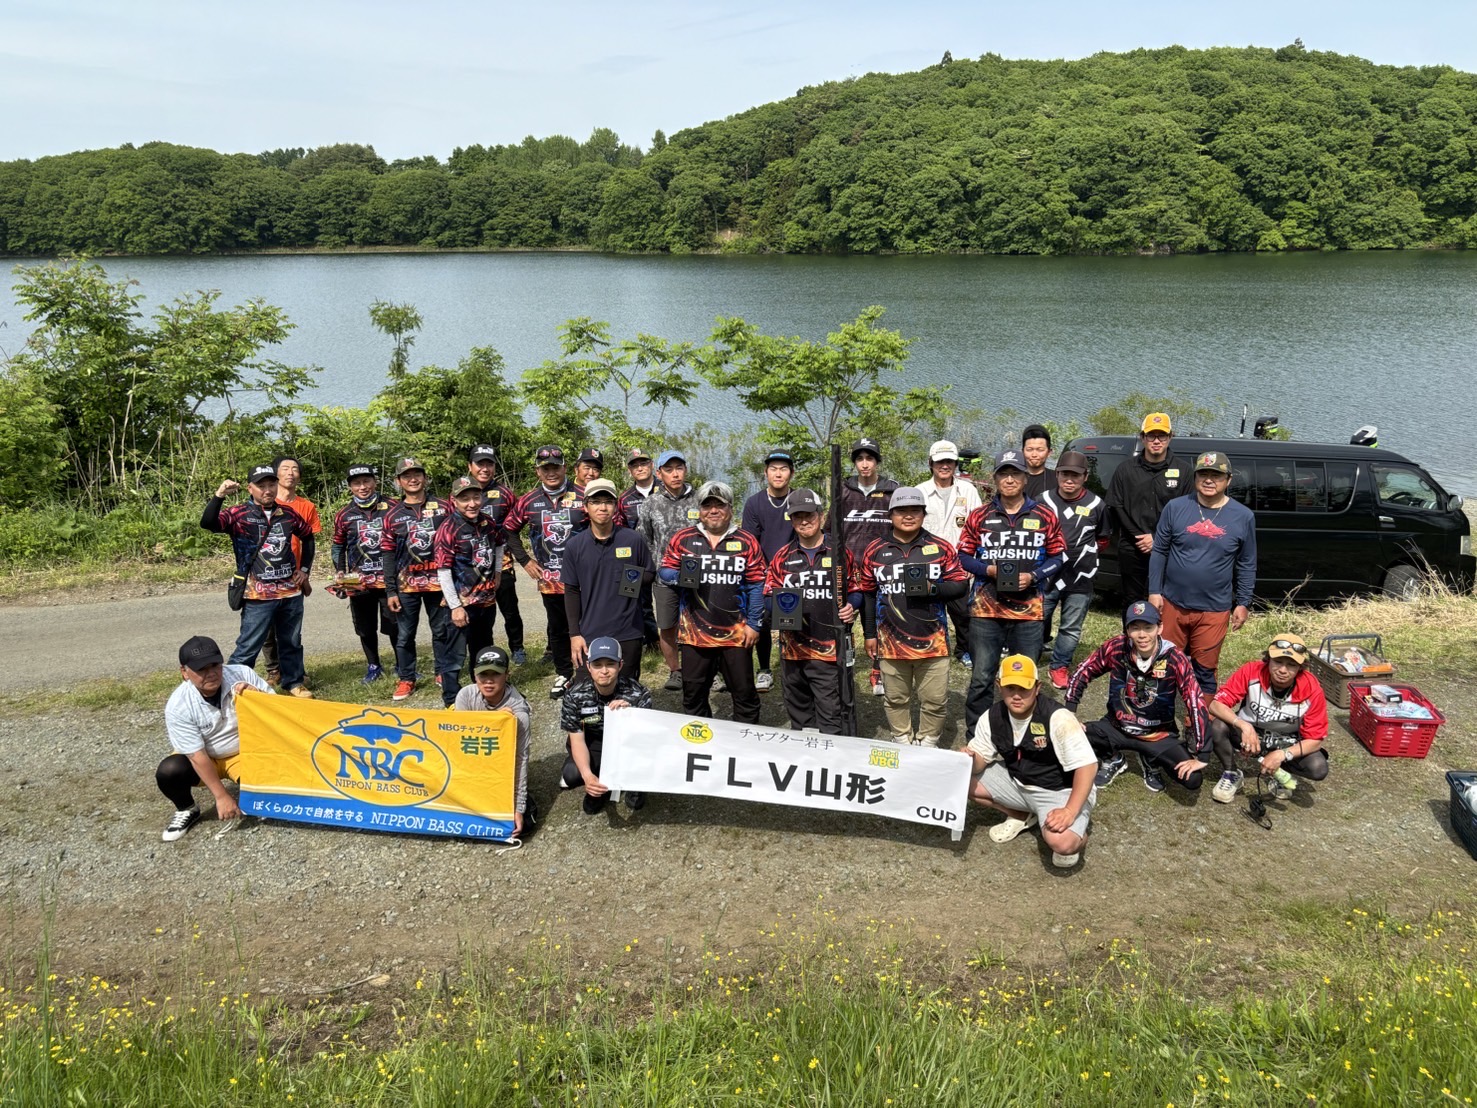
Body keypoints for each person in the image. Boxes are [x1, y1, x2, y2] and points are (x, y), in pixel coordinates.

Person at [957, 449, 1066, 736]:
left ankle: (1021, 734)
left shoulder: (1044, 515)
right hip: (985, 610)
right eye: (1003, 473)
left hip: (1029, 612)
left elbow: (1059, 556)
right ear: (994, 478)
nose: (1009, 479)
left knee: (1024, 677)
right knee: (982, 677)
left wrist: (1034, 575)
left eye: (1015, 473)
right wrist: (987, 570)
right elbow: (963, 556)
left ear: (1025, 477)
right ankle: (978, 734)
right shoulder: (979, 515)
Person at [857, 486, 970, 746]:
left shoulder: (940, 547)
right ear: (891, 515)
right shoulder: (875, 550)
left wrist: (933, 589)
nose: (908, 516)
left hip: (933, 640)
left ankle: (928, 741)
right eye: (901, 511)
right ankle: (902, 739)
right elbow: (868, 594)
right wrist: (870, 634)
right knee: (896, 698)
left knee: (935, 700)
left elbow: (960, 584)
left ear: (923, 514)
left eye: (914, 511)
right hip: (890, 640)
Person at [965, 654, 1096, 869]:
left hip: (1061, 790)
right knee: (961, 779)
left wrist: (1070, 811)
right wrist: (969, 760)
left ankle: (1079, 826)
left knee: (1061, 843)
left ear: (1037, 687)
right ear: (999, 686)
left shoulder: (1058, 717)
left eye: (1024, 688)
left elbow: (1088, 766)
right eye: (1010, 688)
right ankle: (1022, 815)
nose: (1017, 696)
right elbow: (981, 759)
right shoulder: (991, 716)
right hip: (1019, 783)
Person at [1065, 600, 1209, 795]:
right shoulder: (1116, 647)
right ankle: (1113, 757)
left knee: (1192, 779)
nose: (1142, 635)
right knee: (1066, 736)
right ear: (1127, 630)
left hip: (1158, 734)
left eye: (1148, 628)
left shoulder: (1174, 658)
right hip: (1117, 727)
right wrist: (1070, 713)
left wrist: (1202, 753)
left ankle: (1150, 759)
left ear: (1160, 628)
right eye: (1135, 628)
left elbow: (1194, 699)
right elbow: (1083, 671)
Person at [201, 465, 315, 699]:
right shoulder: (238, 514)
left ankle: (293, 682)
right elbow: (208, 523)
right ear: (250, 488)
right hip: (257, 593)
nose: (267, 490)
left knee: (291, 641)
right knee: (248, 644)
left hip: (290, 592)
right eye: (261, 486)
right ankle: (233, 687)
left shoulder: (288, 513)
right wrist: (219, 495)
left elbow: (308, 536)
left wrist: (304, 569)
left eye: (271, 485)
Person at [1149, 451, 1257, 695]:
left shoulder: (1243, 516)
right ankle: (1158, 716)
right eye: (1203, 474)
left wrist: (1243, 602)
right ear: (1195, 477)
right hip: (1172, 603)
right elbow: (1159, 552)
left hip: (1214, 609)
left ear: (1228, 480)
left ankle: (1198, 722)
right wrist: (1154, 591)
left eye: (1216, 475)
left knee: (1204, 669)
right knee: (1163, 664)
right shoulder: (1176, 507)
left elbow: (1247, 563)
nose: (1209, 480)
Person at [658, 481, 765, 723]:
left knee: (745, 694)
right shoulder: (683, 538)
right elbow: (665, 569)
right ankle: (702, 744)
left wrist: (755, 624)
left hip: (736, 634)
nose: (713, 511)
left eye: (720, 505)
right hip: (694, 634)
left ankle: (745, 745)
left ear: (730, 508)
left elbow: (757, 584)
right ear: (699, 509)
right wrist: (679, 578)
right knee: (694, 695)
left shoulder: (747, 540)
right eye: (707, 506)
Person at [156, 635, 273, 842]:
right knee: (170, 771)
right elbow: (196, 755)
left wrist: (258, 698)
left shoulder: (242, 674)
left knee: (271, 788)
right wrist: (222, 796)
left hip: (243, 753)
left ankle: (254, 792)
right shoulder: (178, 705)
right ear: (184, 672)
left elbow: (280, 714)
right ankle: (187, 808)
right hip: (205, 757)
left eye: (215, 665)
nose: (211, 673)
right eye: (201, 669)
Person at [763, 489, 861, 734]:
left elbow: (857, 589)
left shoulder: (840, 553)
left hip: (829, 649)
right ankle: (808, 761)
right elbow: (767, 597)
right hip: (792, 650)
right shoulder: (781, 557)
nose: (804, 521)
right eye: (798, 517)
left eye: (809, 515)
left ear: (820, 515)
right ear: (791, 520)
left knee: (831, 714)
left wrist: (852, 606)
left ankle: (833, 763)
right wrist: (782, 607)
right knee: (799, 712)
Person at [504, 446, 588, 698]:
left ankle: (589, 672)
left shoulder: (585, 495)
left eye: (555, 467)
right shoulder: (528, 501)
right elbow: (509, 529)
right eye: (545, 468)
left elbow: (608, 524)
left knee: (588, 623)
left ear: (565, 468)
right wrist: (525, 560)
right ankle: (564, 672)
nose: (551, 472)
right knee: (558, 626)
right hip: (550, 579)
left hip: (584, 578)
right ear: (537, 471)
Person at [1207, 634, 1330, 803]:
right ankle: (1231, 773)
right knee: (1217, 725)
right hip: (1249, 735)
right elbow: (1215, 705)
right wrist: (1243, 725)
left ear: (1301, 668)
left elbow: (1315, 739)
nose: (1283, 670)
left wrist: (1282, 754)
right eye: (1278, 662)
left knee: (1318, 768)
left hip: (1286, 740)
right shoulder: (1251, 671)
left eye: (1291, 665)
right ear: (1268, 659)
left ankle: (1277, 769)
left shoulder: (1312, 689)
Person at [562, 477, 656, 681]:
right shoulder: (574, 546)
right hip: (589, 633)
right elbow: (570, 591)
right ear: (586, 506)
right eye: (595, 502)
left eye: (608, 501)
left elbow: (649, 573)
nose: (602, 507)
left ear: (615, 506)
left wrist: (628, 579)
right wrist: (574, 634)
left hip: (628, 631)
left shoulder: (632, 539)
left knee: (626, 694)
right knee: (588, 691)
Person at [381, 456, 453, 702]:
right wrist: (390, 590)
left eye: (417, 474)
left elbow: (456, 542)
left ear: (424, 477)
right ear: (398, 481)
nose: (413, 479)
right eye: (406, 476)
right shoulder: (392, 515)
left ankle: (442, 671)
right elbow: (387, 554)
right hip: (406, 585)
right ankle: (406, 678)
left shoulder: (445, 507)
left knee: (441, 630)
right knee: (404, 634)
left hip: (438, 582)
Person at [558, 636, 654, 814]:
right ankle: (599, 786)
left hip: (628, 742)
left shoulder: (639, 693)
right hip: (594, 741)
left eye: (610, 664)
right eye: (597, 664)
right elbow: (577, 740)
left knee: (646, 764)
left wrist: (632, 715)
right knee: (572, 775)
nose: (604, 671)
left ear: (620, 665)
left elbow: (647, 738)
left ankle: (635, 783)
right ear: (588, 667)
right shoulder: (574, 695)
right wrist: (588, 777)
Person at [1038, 450, 1107, 689]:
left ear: (1085, 477)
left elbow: (1103, 539)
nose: (1070, 479)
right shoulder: (1042, 500)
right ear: (1057, 474)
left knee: (1070, 627)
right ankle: (1027, 659)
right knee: (1036, 620)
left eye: (1075, 475)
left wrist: (1080, 557)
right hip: (1046, 575)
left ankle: (1059, 666)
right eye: (1065, 473)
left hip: (1080, 576)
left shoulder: (1097, 504)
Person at [433, 476, 504, 705]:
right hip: (461, 605)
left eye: (476, 497)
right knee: (454, 656)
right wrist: (455, 606)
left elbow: (499, 544)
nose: (472, 503)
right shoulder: (448, 528)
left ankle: (480, 693)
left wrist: (498, 572)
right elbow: (443, 571)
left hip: (486, 601)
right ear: (454, 501)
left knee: (482, 651)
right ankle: (452, 699)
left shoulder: (488, 522)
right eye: (465, 499)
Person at [1106, 412, 1186, 604]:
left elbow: (1186, 512)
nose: (1156, 441)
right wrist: (1139, 536)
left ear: (1170, 437)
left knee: (1166, 601)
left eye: (1162, 436)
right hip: (1133, 547)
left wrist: (1158, 539)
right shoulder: (1125, 469)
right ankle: (1131, 635)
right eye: (1151, 435)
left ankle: (1163, 635)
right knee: (1132, 602)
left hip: (1169, 548)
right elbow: (1116, 505)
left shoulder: (1184, 471)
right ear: (1142, 437)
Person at [330, 464, 400, 684]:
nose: (363, 487)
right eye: (357, 483)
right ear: (350, 487)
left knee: (395, 625)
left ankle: (402, 665)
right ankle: (373, 666)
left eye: (366, 481)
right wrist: (340, 570)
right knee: (364, 627)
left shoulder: (393, 507)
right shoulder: (344, 514)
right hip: (358, 581)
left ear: (375, 482)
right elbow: (338, 546)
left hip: (389, 579)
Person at [451, 645, 532, 835]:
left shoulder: (519, 715)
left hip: (501, 773)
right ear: (474, 676)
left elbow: (521, 759)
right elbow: (456, 741)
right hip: (470, 768)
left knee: (523, 825)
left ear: (507, 675)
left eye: (495, 674)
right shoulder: (465, 695)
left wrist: (518, 808)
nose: (488, 681)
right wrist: (493, 721)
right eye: (482, 674)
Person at [638, 449, 701, 692]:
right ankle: (675, 670)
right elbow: (645, 539)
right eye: (669, 469)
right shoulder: (651, 503)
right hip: (664, 576)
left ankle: (708, 669)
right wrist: (653, 569)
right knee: (667, 625)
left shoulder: (700, 499)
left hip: (698, 575)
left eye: (679, 468)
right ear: (659, 473)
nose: (675, 474)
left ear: (685, 470)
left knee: (701, 623)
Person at [917, 439, 981, 666]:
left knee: (963, 613)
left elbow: (978, 527)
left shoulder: (969, 490)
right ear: (931, 463)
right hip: (928, 563)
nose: (945, 466)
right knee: (928, 611)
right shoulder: (919, 492)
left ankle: (965, 650)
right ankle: (931, 646)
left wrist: (973, 562)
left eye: (950, 462)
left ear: (956, 464)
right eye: (940, 461)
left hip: (959, 564)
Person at [741, 448, 798, 693]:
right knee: (762, 620)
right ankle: (764, 669)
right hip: (763, 572)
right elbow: (751, 544)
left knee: (794, 618)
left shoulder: (799, 499)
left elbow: (805, 536)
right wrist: (765, 575)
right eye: (773, 468)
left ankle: (794, 666)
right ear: (765, 473)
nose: (778, 473)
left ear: (791, 473)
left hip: (794, 570)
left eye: (783, 468)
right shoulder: (754, 503)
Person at [261, 454, 321, 687]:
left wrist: (305, 570)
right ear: (275, 474)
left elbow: (309, 541)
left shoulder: (306, 507)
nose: (290, 473)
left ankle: (296, 672)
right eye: (285, 468)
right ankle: (274, 670)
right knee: (266, 628)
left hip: (292, 576)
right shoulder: (261, 502)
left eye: (295, 469)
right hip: (264, 574)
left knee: (290, 630)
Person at [466, 445, 525, 665]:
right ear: (470, 467)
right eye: (480, 464)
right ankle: (484, 650)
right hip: (473, 567)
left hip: (502, 562)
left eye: (489, 464)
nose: (485, 468)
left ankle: (517, 648)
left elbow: (514, 527)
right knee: (480, 611)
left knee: (510, 610)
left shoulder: (505, 494)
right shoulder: (460, 494)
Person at [616, 447, 661, 650]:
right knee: (638, 600)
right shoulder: (624, 498)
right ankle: (651, 639)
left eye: (644, 463)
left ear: (652, 465)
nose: (640, 468)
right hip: (636, 557)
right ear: (629, 470)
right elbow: (619, 529)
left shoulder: (666, 489)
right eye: (635, 465)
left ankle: (677, 639)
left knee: (672, 598)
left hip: (665, 556)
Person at [1020, 423, 1055, 501]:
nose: (1034, 455)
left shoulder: (1057, 479)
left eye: (1040, 450)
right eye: (1029, 450)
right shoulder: (1013, 478)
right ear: (1022, 451)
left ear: (1049, 452)